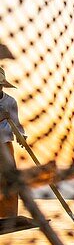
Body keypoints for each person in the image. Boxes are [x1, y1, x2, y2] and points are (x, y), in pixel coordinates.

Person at [0, 67, 26, 226]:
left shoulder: (10, 102)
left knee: (9, 180)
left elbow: (17, 124)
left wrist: (22, 136)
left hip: (5, 145)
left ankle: (8, 216)